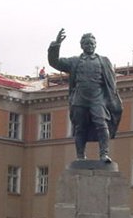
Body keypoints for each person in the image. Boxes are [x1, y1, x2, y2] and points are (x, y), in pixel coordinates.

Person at [48, 29, 122, 163]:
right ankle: (80, 156)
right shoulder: (74, 61)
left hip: (98, 98)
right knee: (80, 127)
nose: (90, 46)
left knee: (102, 124)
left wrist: (110, 100)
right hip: (80, 98)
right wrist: (56, 44)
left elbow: (111, 83)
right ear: (82, 46)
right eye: (87, 44)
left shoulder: (104, 61)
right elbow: (55, 62)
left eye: (92, 43)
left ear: (96, 45)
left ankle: (104, 154)